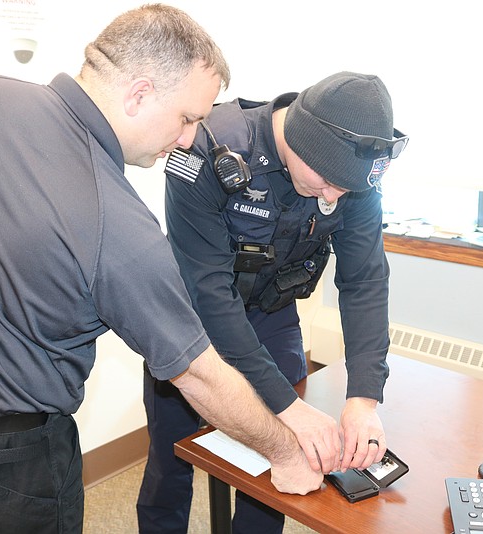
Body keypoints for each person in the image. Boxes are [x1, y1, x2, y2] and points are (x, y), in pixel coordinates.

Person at [0, 4, 323, 533]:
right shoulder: (115, 220)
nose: (190, 139)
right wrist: (285, 452)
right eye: (189, 118)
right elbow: (200, 375)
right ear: (139, 93)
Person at [138, 71, 408, 533]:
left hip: (271, 314)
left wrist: (363, 399)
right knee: (172, 457)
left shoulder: (350, 178)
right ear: (297, 140)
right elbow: (210, 296)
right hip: (190, 324)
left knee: (280, 470)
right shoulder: (205, 150)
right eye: (326, 182)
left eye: (347, 189)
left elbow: (364, 282)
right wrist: (286, 406)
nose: (335, 197)